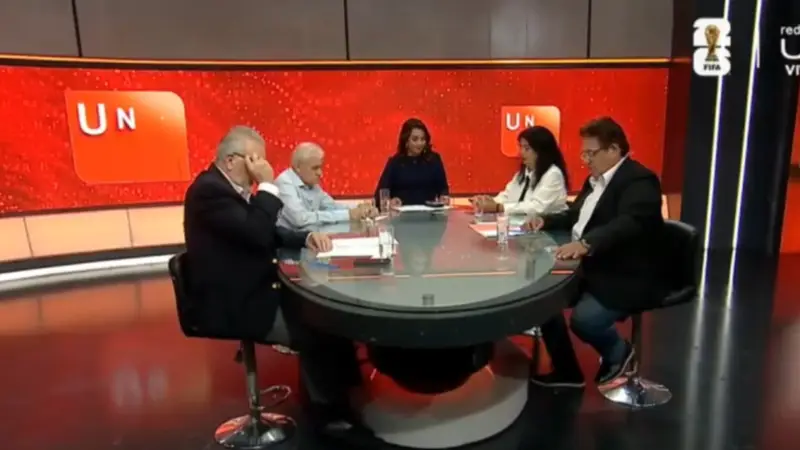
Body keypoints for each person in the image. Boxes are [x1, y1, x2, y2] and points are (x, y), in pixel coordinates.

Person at [183, 126, 372, 441]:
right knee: (317, 325)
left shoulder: (227, 188)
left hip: (251, 288)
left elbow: (265, 230)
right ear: (231, 160)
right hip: (233, 302)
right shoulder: (209, 191)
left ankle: (346, 396)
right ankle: (327, 415)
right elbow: (257, 232)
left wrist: (304, 238)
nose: (262, 166)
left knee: (325, 313)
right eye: (255, 159)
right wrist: (268, 185)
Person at [523, 117, 665, 388]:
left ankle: (619, 352)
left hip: (625, 271)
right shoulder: (595, 181)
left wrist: (587, 243)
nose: (585, 160)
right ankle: (568, 373)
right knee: (541, 302)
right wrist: (545, 220)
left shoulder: (639, 180)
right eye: (583, 154)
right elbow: (576, 215)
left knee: (585, 320)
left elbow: (630, 223)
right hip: (590, 265)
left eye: (590, 153)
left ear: (613, 149)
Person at [470, 126, 569, 216]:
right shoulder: (522, 174)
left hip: (549, 228)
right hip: (522, 226)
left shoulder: (553, 174)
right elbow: (507, 196)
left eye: (527, 148)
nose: (521, 152)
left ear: (541, 152)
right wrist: (488, 202)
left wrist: (498, 207)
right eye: (520, 147)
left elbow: (537, 207)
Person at [276, 142, 377, 229]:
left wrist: (361, 210)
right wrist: (348, 215)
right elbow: (300, 219)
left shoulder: (311, 184)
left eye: (320, 168)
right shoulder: (284, 182)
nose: (320, 173)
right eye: (315, 168)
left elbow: (332, 206)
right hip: (288, 244)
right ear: (298, 167)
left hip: (310, 240)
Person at [374, 118, 449, 207]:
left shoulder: (434, 160)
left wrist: (444, 197)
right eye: (415, 139)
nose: (420, 143)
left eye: (423, 139)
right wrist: (391, 202)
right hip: (401, 214)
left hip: (429, 214)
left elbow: (443, 189)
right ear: (406, 141)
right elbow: (380, 195)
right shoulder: (395, 163)